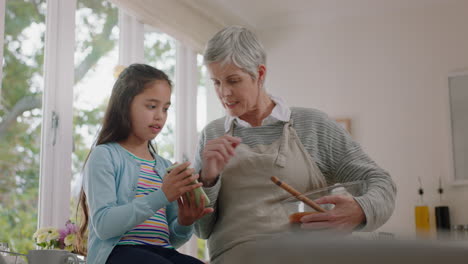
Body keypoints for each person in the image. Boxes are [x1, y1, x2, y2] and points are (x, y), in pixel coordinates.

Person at [193, 26, 397, 263]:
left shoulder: (313, 125)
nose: (224, 92)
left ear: (259, 74)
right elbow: (201, 229)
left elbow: (381, 182)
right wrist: (207, 180)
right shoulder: (212, 134)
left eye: (233, 80)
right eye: (216, 82)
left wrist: (360, 209)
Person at [76, 64, 213, 264]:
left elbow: (171, 240)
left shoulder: (164, 166)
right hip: (117, 253)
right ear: (125, 104)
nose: (160, 116)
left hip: (159, 252)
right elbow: (104, 225)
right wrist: (162, 195)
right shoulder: (104, 155)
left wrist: (185, 222)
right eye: (151, 106)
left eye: (165, 108)